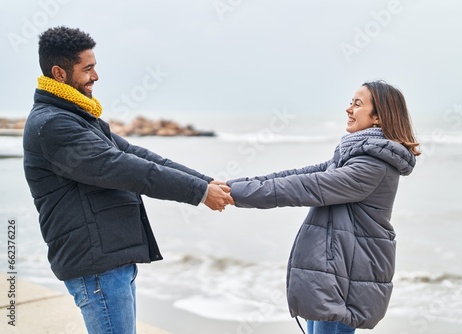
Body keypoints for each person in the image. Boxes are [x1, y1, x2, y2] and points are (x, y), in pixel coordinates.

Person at [23, 26, 232, 334]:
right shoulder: (54, 125)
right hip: (96, 265)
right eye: (88, 68)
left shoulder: (77, 117)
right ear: (60, 73)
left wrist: (207, 181)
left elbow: (141, 155)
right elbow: (125, 168)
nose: (96, 76)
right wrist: (200, 192)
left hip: (109, 260)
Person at [226, 81, 420, 333]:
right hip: (331, 270)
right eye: (351, 102)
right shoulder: (350, 157)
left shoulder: (372, 165)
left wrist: (232, 195)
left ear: (378, 117)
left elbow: (306, 187)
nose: (348, 109)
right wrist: (229, 186)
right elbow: (295, 175)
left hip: (347, 274)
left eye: (357, 104)